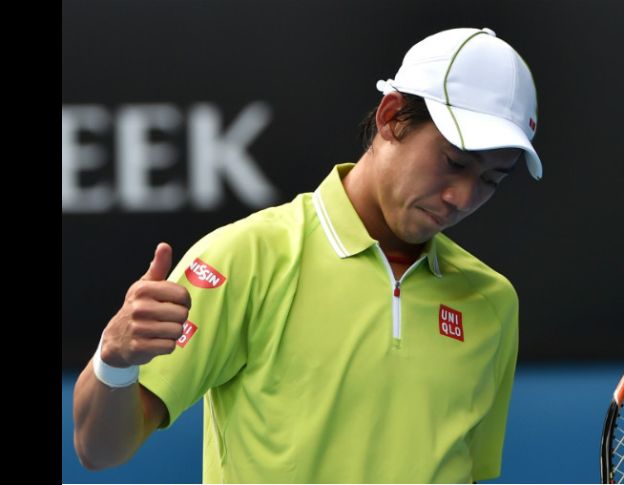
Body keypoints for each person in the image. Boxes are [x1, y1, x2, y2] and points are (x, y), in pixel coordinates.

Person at [73, 26, 543, 483]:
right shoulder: (248, 256)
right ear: (391, 117)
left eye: (491, 180)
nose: (462, 197)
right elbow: (98, 449)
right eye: (455, 162)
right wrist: (114, 361)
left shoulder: (493, 302)